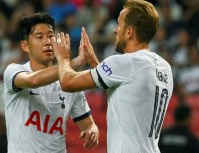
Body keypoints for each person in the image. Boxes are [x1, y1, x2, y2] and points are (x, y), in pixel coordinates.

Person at [51, 0, 174, 152]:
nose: (115, 30)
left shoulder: (126, 62)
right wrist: (96, 64)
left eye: (119, 24)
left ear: (129, 31)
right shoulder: (164, 67)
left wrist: (63, 58)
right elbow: (124, 91)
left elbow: (67, 82)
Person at [3, 12, 99, 153]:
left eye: (50, 36)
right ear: (25, 46)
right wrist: (73, 63)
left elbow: (89, 125)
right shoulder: (13, 71)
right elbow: (34, 80)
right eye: (39, 37)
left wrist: (92, 132)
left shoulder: (70, 82)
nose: (48, 42)